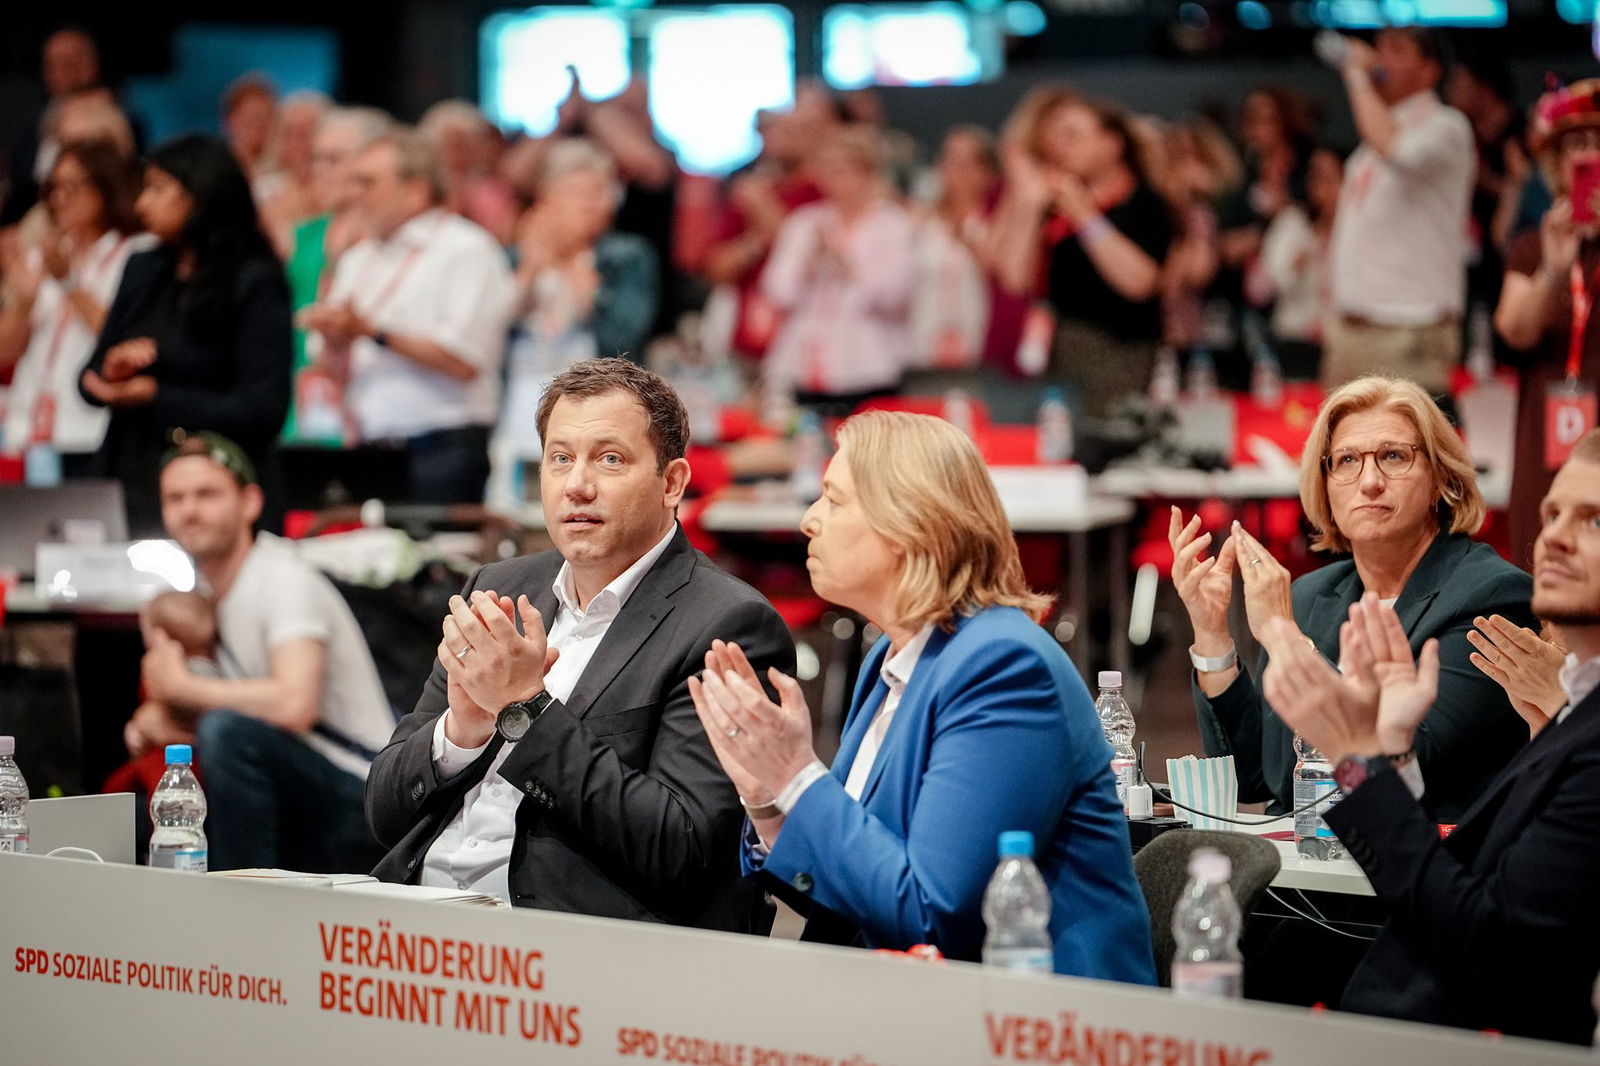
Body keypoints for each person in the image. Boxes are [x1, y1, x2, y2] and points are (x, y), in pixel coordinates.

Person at [689, 411, 1155, 982]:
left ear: (909, 523)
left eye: (833, 501)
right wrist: (767, 799)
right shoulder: (890, 659)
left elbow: (934, 916)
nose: (809, 520)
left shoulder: (1003, 665)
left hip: (1042, 1026)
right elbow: (857, 883)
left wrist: (798, 777)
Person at [365, 359, 795, 931]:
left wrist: (525, 709)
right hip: (415, 915)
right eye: (560, 458)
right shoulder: (496, 588)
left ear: (672, 483)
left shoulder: (728, 623)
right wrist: (460, 733)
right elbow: (383, 813)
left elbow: (681, 847)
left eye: (609, 459)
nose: (577, 485)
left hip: (567, 943)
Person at [1259, 428, 1600, 1045]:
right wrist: (1388, 752)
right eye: (1552, 514)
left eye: (1593, 520)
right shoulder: (1575, 709)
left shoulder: (1494, 605)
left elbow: (1489, 952)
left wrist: (1360, 761)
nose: (1553, 537)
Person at [1171, 376, 1534, 822]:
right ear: (1324, 485)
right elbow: (1254, 778)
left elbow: (1410, 760)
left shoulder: (1490, 597)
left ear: (1441, 478)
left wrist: (1287, 641)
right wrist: (1213, 638)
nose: (1370, 482)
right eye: (1346, 461)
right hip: (1306, 875)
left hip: (1416, 876)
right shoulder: (1308, 597)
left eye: (1393, 457)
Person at [140, 432, 393, 872]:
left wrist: (184, 687)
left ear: (251, 502)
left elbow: (295, 705)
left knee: (225, 734)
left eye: (207, 494)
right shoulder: (204, 595)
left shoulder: (282, 577)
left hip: (361, 792)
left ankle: (242, 904)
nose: (190, 510)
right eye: (175, 498)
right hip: (300, 775)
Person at [79, 134, 292, 536]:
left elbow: (262, 409)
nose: (142, 204)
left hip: (216, 483)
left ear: (202, 193)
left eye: (158, 189)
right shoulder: (144, 267)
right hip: (134, 477)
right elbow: (87, 381)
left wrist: (156, 396)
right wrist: (112, 370)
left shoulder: (254, 281)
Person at [301, 130, 514, 503]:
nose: (355, 195)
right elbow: (327, 366)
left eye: (367, 183)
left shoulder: (466, 249)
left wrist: (372, 331)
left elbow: (465, 360)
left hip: (443, 447)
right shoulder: (358, 259)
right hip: (368, 445)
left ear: (414, 189)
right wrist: (335, 339)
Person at [489, 138, 658, 508]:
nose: (589, 203)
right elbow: (490, 328)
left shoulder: (625, 257)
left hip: (596, 406)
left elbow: (624, 335)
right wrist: (533, 266)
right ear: (544, 197)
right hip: (519, 405)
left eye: (600, 192)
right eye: (575, 192)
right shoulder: (514, 255)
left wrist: (581, 279)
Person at [989, 92, 1173, 418]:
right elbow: (1015, 278)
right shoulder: (1054, 208)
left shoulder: (1145, 204)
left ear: (1111, 143)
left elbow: (1142, 281)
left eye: (1073, 135)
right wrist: (1028, 204)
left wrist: (1085, 216)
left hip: (1124, 358)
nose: (1059, 147)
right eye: (1056, 137)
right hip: (1064, 362)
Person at [1323, 27, 1475, 396]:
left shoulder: (1446, 127)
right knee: (1338, 450)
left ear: (1429, 71)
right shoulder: (1375, 139)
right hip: (1352, 329)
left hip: (1408, 330)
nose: (1380, 58)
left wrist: (1357, 74)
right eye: (1378, 48)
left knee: (1402, 450)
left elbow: (1397, 150)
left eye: (1397, 50)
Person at [1493, 79, 1600, 569]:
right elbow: (1514, 330)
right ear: (1557, 162)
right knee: (1543, 576)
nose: (1589, 155)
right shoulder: (1533, 247)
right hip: (1548, 449)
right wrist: (1556, 269)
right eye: (1577, 143)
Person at [0, 139, 145, 469]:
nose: (59, 199)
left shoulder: (134, 254)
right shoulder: (43, 254)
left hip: (90, 426)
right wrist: (22, 302)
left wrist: (69, 283)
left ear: (106, 186)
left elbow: (121, 337)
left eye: (72, 186)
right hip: (31, 427)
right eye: (54, 188)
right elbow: (5, 352)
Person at [761, 125, 916, 414]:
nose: (835, 181)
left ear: (867, 173)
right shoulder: (805, 222)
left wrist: (845, 262)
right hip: (804, 365)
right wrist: (810, 262)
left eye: (845, 170)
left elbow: (895, 295)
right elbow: (778, 291)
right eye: (828, 170)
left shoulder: (892, 225)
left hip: (869, 366)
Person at [279, 106, 393, 443]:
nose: (320, 171)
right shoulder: (303, 236)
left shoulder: (387, 242)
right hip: (305, 395)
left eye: (334, 160)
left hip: (370, 402)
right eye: (317, 159)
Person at [1246, 145, 1345, 381]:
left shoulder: (1358, 232)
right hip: (1295, 344)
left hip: (1343, 346)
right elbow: (1257, 289)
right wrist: (1291, 268)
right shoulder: (1292, 224)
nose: (1322, 187)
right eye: (1315, 177)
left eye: (1331, 178)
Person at [2, 26, 104, 227]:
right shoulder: (32, 127)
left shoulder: (110, 120)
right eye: (51, 65)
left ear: (92, 66)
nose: (58, 73)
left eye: (69, 63)